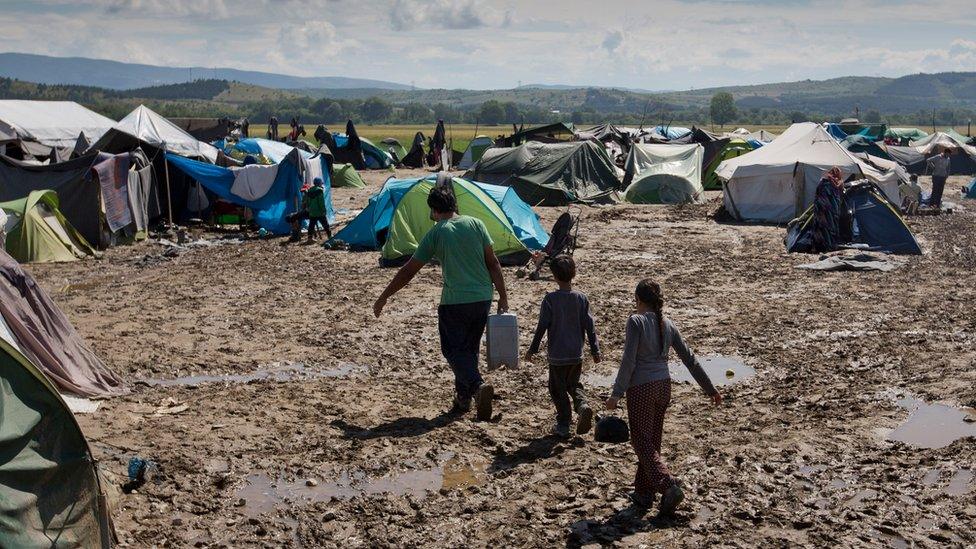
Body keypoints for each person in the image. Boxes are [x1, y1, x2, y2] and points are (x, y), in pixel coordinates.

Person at [373, 183, 509, 421]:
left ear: (434, 210)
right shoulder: (476, 224)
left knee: (452, 350)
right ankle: (463, 398)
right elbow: (493, 263)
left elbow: (408, 271)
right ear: (454, 205)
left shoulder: (437, 233)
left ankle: (477, 387)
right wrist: (503, 297)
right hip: (483, 298)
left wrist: (384, 296)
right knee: (468, 349)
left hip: (455, 301)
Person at [605, 279, 722, 516]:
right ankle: (643, 491)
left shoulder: (636, 321)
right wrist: (710, 389)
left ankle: (668, 486)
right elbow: (690, 359)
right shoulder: (667, 324)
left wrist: (616, 394)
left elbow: (629, 361)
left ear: (638, 300)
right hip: (663, 386)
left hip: (641, 388)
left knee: (641, 442)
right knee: (652, 441)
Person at [525, 255, 600, 438]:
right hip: (576, 354)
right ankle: (582, 406)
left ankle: (564, 423)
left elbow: (542, 326)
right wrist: (595, 350)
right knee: (574, 384)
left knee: (556, 388)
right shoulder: (581, 299)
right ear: (573, 274)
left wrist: (533, 349)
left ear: (554, 276)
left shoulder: (550, 300)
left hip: (557, 355)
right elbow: (590, 327)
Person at [811, 167, 844, 253]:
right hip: (831, 211)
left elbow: (817, 194)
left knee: (819, 228)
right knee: (830, 228)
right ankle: (829, 246)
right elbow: (838, 196)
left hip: (820, 209)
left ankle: (816, 247)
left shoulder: (822, 182)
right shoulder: (838, 183)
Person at [304, 178, 331, 242]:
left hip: (312, 212)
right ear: (319, 183)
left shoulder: (309, 190)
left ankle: (309, 238)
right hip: (319, 211)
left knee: (311, 225)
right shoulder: (320, 190)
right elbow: (321, 202)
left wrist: (308, 208)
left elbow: (307, 201)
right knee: (325, 224)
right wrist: (324, 210)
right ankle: (330, 236)